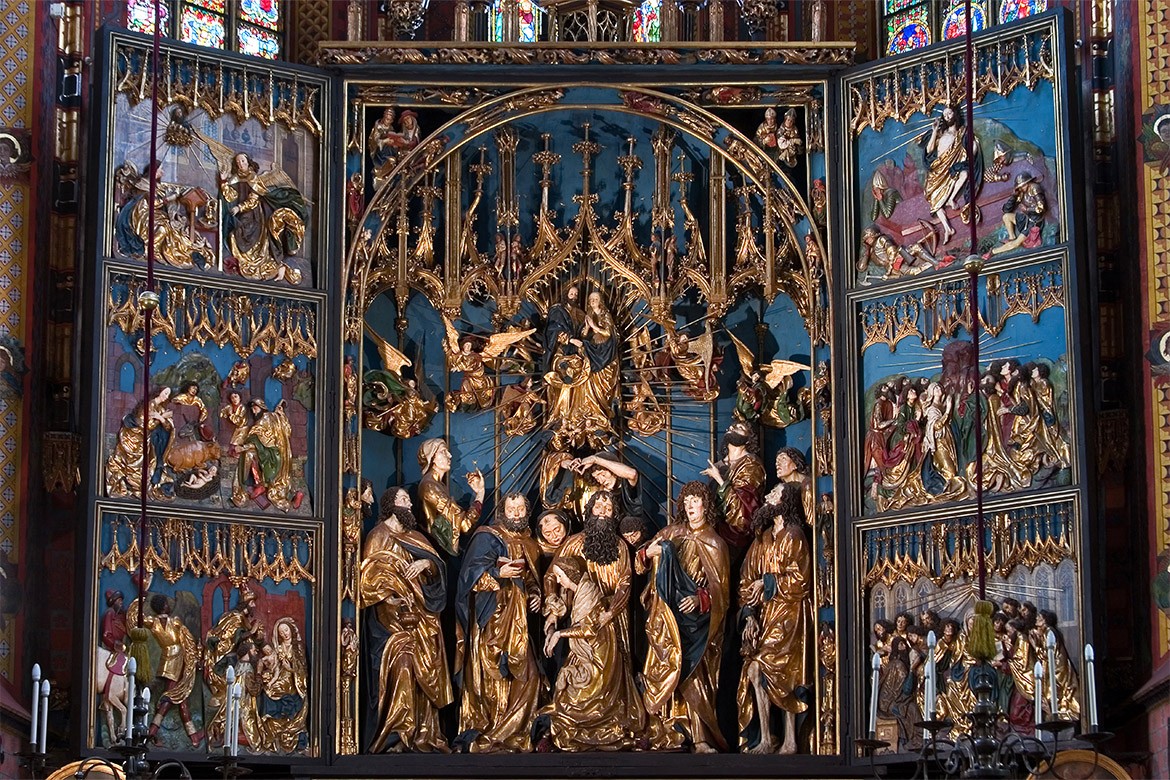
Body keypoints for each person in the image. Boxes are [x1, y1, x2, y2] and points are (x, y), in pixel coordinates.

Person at [543, 491, 645, 742]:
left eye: (608, 508)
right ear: (589, 511)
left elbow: (625, 582)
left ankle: (614, 721)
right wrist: (554, 609)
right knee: (581, 671)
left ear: (614, 515)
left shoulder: (620, 546)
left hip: (612, 618)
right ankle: (578, 722)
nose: (602, 511)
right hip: (581, 616)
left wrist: (611, 611)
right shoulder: (574, 543)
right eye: (598, 506)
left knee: (613, 672)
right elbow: (552, 576)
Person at [640, 481, 731, 752]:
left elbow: (722, 590)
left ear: (706, 505)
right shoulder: (672, 532)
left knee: (694, 675)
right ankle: (665, 731)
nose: (691, 506)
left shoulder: (714, 542)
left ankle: (700, 738)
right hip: (668, 617)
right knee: (665, 669)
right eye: (687, 501)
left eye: (696, 500)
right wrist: (648, 554)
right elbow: (642, 558)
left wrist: (700, 599)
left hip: (697, 624)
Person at [361, 491, 451, 752]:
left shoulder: (417, 537)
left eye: (409, 499)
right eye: (404, 499)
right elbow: (368, 579)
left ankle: (424, 734)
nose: (410, 503)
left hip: (422, 617)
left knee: (427, 670)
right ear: (390, 504)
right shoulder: (378, 536)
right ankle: (398, 733)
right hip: (392, 621)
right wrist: (389, 598)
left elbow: (438, 570)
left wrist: (426, 564)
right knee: (403, 666)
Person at [454, 493, 543, 752]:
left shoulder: (530, 543)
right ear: (502, 512)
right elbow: (468, 578)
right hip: (491, 618)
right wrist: (496, 572)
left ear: (527, 511)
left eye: (520, 508)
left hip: (519, 622)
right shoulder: (487, 536)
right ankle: (491, 730)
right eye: (511, 508)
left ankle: (514, 731)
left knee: (529, 676)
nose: (516, 513)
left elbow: (531, 579)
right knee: (493, 677)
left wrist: (535, 594)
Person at [737, 483, 811, 754]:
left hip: (790, 613)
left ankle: (790, 740)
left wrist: (768, 582)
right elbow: (747, 578)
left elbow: (801, 580)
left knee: (783, 673)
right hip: (767, 614)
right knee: (756, 671)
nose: (768, 496)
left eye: (775, 494)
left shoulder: (794, 535)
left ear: (785, 501)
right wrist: (749, 614)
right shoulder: (764, 538)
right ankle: (767, 738)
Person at [541, 556, 636, 751]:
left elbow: (589, 629)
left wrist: (559, 634)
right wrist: (552, 625)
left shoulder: (588, 592)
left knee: (574, 694)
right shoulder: (576, 591)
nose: (558, 581)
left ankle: (589, 730)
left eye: (560, 576)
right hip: (584, 650)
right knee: (563, 689)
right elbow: (565, 611)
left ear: (570, 574)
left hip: (598, 653)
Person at [218, 151, 307, 284]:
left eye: (242, 161)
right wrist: (223, 181)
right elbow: (230, 196)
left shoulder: (253, 178)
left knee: (242, 232)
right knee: (234, 234)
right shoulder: (235, 178)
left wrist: (239, 208)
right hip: (242, 213)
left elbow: (253, 200)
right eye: (238, 162)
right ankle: (246, 260)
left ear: (248, 162)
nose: (240, 164)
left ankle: (261, 262)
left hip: (254, 214)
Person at [918, 103, 983, 246]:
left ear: (955, 114)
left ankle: (951, 199)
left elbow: (972, 147)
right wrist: (934, 130)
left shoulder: (962, 133)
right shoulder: (941, 133)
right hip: (938, 170)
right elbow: (929, 150)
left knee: (964, 174)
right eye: (945, 115)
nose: (947, 117)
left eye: (949, 113)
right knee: (934, 201)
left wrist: (970, 153)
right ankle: (948, 229)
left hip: (953, 168)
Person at [702, 421, 766, 550]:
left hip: (735, 531)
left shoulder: (751, 465)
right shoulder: (719, 465)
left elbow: (746, 506)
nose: (732, 427)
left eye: (740, 428)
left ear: (748, 439)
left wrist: (719, 479)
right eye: (732, 426)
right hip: (714, 526)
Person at [416, 438, 484, 556]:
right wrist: (480, 493)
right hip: (437, 551)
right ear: (431, 458)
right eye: (443, 451)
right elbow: (465, 525)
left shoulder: (439, 485)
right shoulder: (430, 487)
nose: (450, 455)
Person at [232, 398, 303, 512]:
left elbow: (258, 441)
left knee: (249, 454)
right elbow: (285, 431)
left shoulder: (263, 421)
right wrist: (281, 414)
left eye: (255, 408)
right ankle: (259, 485)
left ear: (262, 407)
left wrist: (242, 447)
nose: (253, 411)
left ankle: (259, 485)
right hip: (273, 453)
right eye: (252, 409)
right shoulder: (273, 417)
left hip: (272, 455)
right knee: (251, 454)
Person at [256, 617, 309, 753]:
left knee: (280, 690)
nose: (285, 634)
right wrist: (271, 678)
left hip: (293, 680)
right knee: (268, 691)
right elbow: (276, 668)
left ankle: (288, 723)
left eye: (286, 630)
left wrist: (290, 668)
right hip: (281, 677)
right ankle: (272, 726)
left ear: (290, 629)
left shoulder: (297, 647)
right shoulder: (279, 648)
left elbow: (303, 669)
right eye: (281, 632)